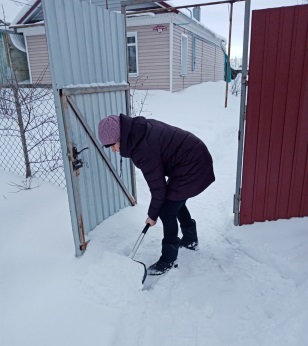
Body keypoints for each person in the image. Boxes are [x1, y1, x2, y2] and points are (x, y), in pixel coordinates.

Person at [98, 114, 215, 275]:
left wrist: (152, 215)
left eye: (112, 145)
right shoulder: (138, 131)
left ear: (120, 137)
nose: (113, 149)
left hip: (194, 165)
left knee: (167, 210)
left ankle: (168, 259)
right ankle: (190, 239)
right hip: (191, 159)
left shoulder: (141, 149)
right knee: (174, 199)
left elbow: (158, 188)